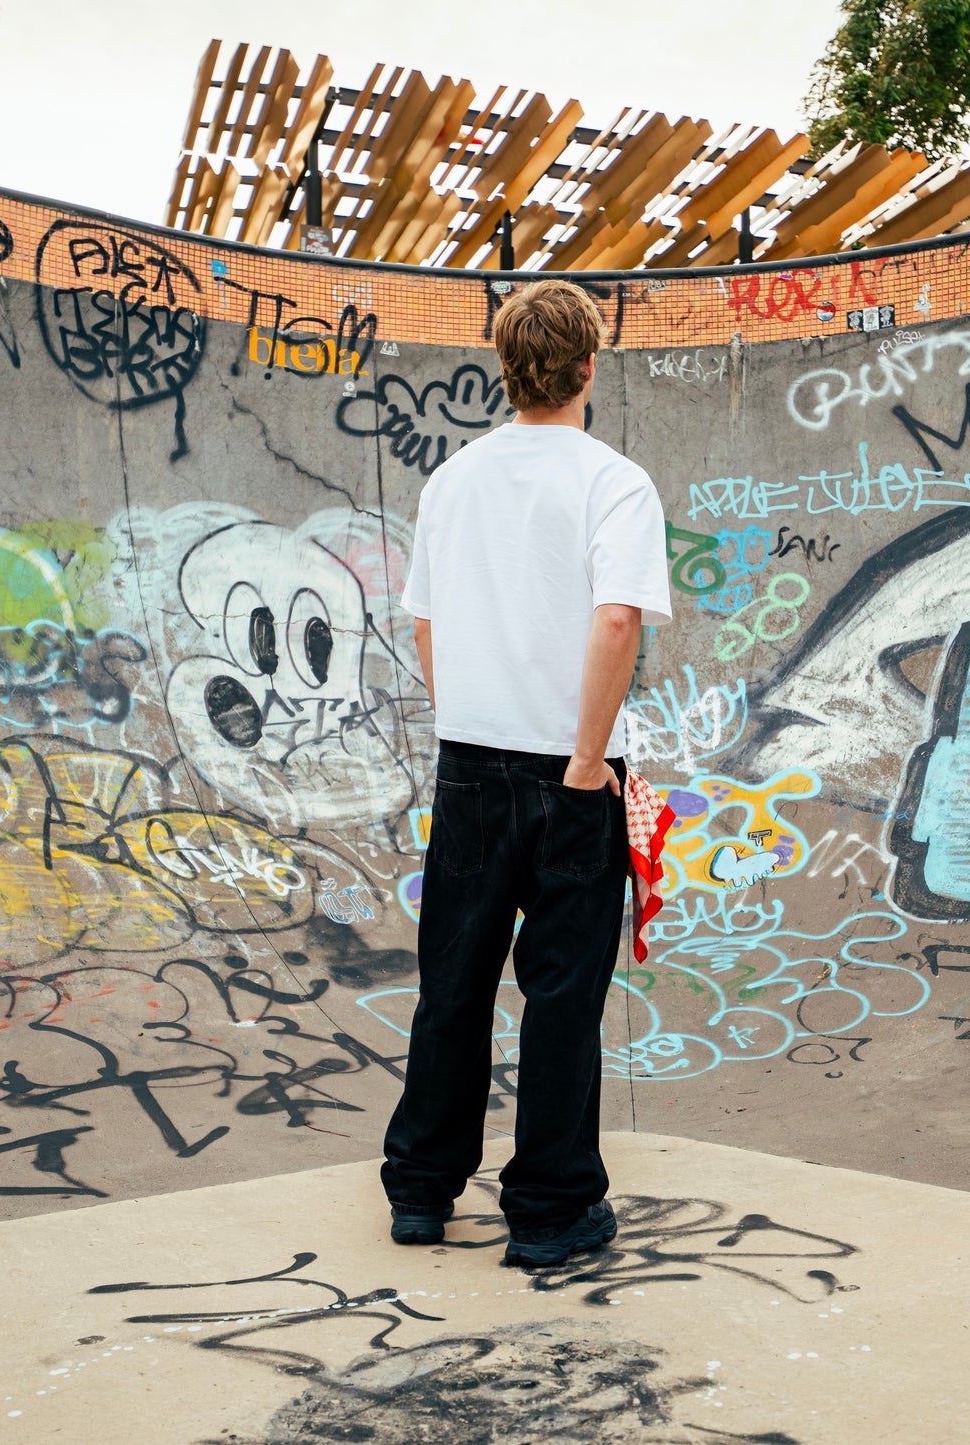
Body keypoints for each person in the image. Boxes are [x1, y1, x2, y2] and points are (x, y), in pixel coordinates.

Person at [381, 278, 672, 1268]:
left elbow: (424, 620)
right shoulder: (612, 480)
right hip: (570, 769)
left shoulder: (449, 481)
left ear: (503, 368)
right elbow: (617, 618)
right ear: (588, 364)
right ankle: (548, 1208)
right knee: (558, 994)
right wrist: (587, 762)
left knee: (450, 984)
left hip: (468, 759)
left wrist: (460, 713)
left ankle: (421, 1187)